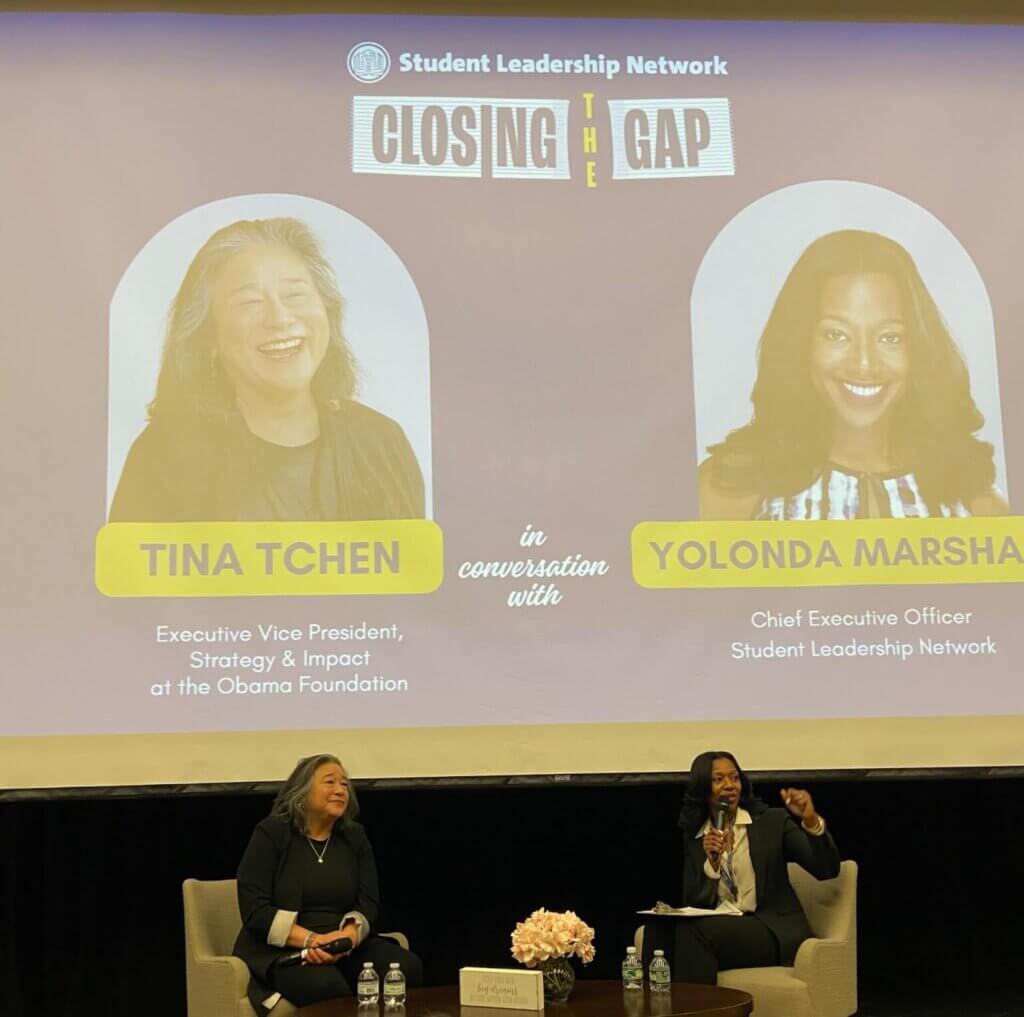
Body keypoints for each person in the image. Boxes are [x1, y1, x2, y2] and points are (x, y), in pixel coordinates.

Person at [110, 217, 424, 521]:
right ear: (208, 336)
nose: (280, 318)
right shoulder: (163, 459)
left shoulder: (382, 443)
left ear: (327, 311)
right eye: (250, 302)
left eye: (295, 295)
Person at [698, 229, 1008, 520]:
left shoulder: (974, 501)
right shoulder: (729, 488)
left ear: (919, 348)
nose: (864, 364)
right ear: (801, 343)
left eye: (890, 337)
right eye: (836, 335)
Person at [233, 754, 423, 1012]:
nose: (340, 790)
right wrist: (313, 940)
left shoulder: (354, 836)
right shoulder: (272, 833)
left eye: (344, 784)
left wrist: (346, 940)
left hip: (344, 944)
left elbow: (368, 902)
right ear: (301, 792)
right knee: (327, 988)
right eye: (330, 782)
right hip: (283, 948)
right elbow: (255, 910)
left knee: (408, 968)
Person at [641, 751, 840, 985]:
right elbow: (694, 903)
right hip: (724, 929)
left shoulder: (772, 822)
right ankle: (656, 1007)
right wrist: (712, 863)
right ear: (703, 789)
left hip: (771, 929)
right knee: (658, 928)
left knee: (695, 933)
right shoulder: (697, 837)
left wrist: (811, 821)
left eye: (734, 778)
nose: (729, 785)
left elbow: (826, 869)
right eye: (718, 780)